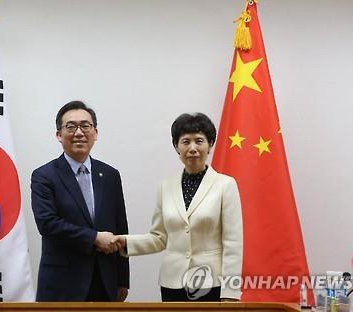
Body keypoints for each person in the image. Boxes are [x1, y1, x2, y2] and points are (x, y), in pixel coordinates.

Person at [114, 112, 243, 302]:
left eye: (199, 141)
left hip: (211, 283)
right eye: (185, 141)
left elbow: (233, 244)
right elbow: (159, 238)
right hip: (172, 283)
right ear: (176, 146)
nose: (192, 148)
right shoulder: (166, 187)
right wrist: (124, 242)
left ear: (210, 145)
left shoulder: (226, 185)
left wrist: (231, 293)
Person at [31, 101, 129, 302]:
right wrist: (94, 238)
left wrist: (122, 279)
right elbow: (47, 224)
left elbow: (120, 228)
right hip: (62, 283)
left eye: (85, 126)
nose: (79, 132)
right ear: (59, 135)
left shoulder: (110, 175)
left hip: (105, 281)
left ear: (95, 132)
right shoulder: (44, 176)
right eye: (71, 127)